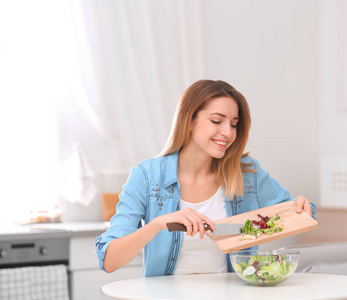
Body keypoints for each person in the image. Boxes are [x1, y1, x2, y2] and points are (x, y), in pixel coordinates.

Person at [95, 80, 316, 277]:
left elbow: (292, 214)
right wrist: (159, 224)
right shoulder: (146, 176)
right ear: (189, 121)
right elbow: (109, 261)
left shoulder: (246, 173)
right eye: (217, 121)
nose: (228, 133)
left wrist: (302, 207)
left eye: (233, 124)